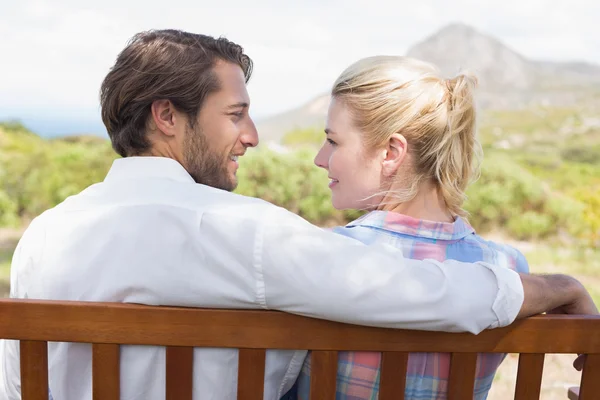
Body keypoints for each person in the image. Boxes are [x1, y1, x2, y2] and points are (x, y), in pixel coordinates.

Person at [0, 30, 596, 400]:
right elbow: (422, 291)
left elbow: (19, 387)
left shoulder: (42, 237)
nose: (254, 135)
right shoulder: (244, 232)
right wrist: (558, 284)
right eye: (236, 114)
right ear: (167, 116)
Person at [293, 55, 542, 399]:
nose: (320, 159)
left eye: (334, 141)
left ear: (391, 152)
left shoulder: (323, 258)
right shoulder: (511, 271)